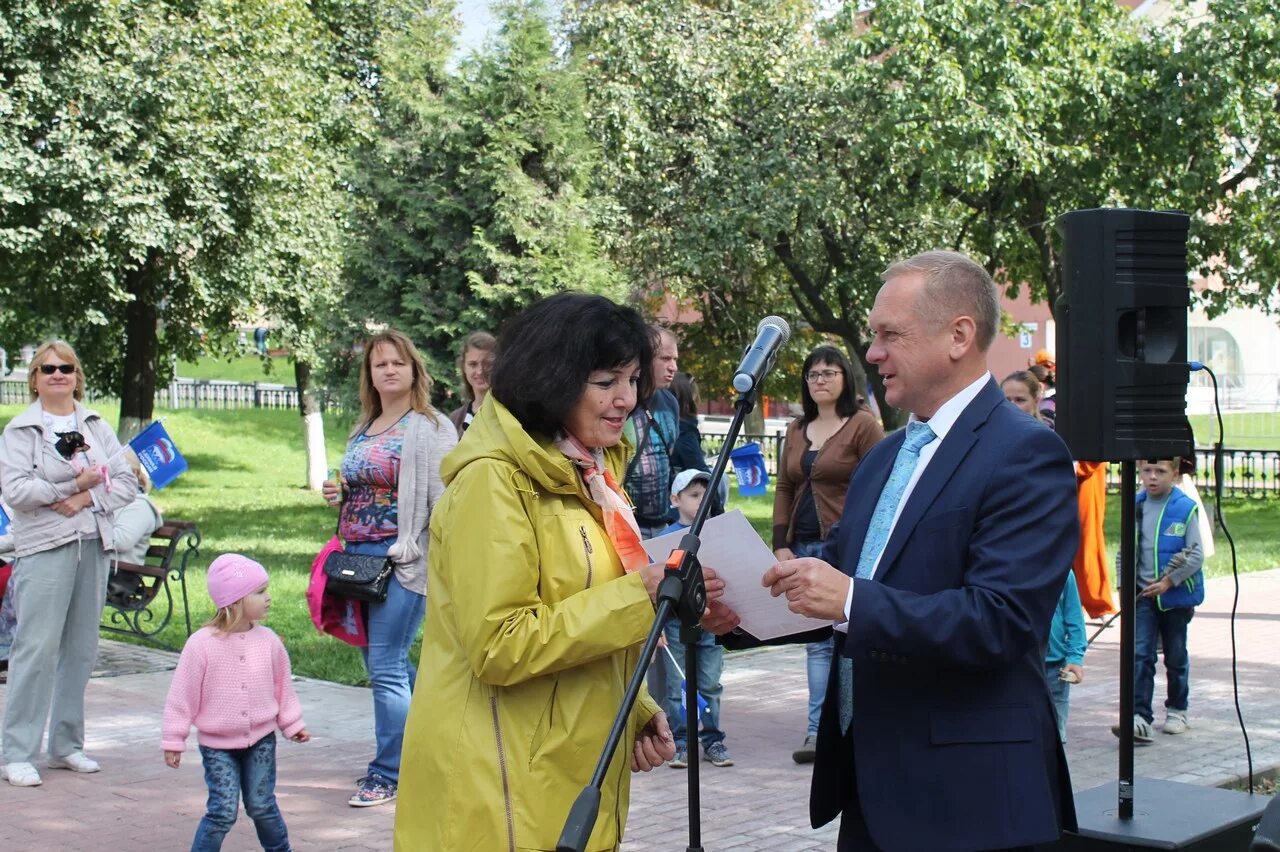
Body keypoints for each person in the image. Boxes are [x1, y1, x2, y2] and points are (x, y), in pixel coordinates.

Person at [707, 251, 1079, 851]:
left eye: (889, 335)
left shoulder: (1025, 454)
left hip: (968, 802)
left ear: (959, 335)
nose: (872, 353)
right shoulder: (885, 456)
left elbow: (1001, 621)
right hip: (869, 792)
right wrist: (742, 616)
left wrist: (850, 597)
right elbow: (832, 587)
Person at [394, 293, 724, 852]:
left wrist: (634, 709)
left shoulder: (586, 475)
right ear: (552, 380)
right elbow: (501, 643)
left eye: (632, 379)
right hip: (497, 791)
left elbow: (577, 620)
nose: (627, 398)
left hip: (564, 776)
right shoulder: (494, 484)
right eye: (606, 381)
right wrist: (640, 596)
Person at [320, 329, 457, 808]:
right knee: (383, 664)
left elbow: (446, 502)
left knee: (385, 665)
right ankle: (434, 752)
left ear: (415, 369)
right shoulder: (365, 426)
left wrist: (443, 563)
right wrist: (338, 495)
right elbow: (359, 486)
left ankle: (388, 774)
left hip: (403, 560)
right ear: (370, 376)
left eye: (398, 362)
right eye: (381, 365)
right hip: (357, 561)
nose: (390, 370)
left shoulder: (432, 426)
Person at [0, 340, 138, 788]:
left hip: (92, 545)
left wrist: (82, 496)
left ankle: (65, 746)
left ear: (77, 377)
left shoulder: (96, 425)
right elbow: (17, 493)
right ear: (35, 379)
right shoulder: (20, 432)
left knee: (80, 650)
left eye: (67, 368)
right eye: (48, 368)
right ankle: (18, 752)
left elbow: (125, 485)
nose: (58, 375)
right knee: (35, 650)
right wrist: (70, 483)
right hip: (44, 549)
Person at [773, 345, 884, 765]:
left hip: (844, 545)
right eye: (813, 374)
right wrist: (780, 541)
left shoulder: (862, 426)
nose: (820, 380)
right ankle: (817, 730)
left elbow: (876, 486)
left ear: (845, 379)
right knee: (817, 643)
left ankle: (854, 725)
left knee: (848, 633)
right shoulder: (796, 429)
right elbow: (784, 486)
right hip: (801, 545)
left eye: (829, 373)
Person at [163, 554, 310, 851]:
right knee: (222, 811)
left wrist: (292, 723)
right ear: (234, 600)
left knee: (262, 805)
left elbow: (283, 688)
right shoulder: (201, 644)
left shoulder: (269, 641)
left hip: (261, 741)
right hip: (217, 747)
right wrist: (173, 739)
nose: (268, 598)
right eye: (259, 592)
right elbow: (182, 695)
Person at [1112, 458, 1203, 744]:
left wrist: (1168, 582)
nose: (1152, 477)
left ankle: (1177, 709)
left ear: (1175, 475)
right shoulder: (1135, 505)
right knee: (1140, 655)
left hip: (1174, 598)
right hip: (1142, 597)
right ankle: (1139, 717)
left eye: (1160, 472)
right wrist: (1123, 587)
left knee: (1175, 656)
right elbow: (1123, 551)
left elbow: (1195, 554)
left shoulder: (1185, 508)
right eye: (1146, 471)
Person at [658, 469, 732, 769]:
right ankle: (681, 742)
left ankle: (713, 739)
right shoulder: (665, 540)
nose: (702, 501)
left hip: (710, 622)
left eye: (706, 495)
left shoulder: (716, 535)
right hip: (676, 624)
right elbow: (656, 588)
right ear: (675, 499)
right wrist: (657, 626)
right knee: (677, 686)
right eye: (693, 495)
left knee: (710, 683)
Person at [105, 451, 164, 604]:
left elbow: (122, 541)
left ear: (135, 473)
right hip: (102, 570)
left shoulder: (140, 505)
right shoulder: (109, 500)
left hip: (119, 576)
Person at [666, 371, 725, 519]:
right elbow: (700, 469)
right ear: (687, 397)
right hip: (681, 510)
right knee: (722, 479)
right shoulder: (684, 432)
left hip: (669, 502)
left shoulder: (666, 424)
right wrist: (718, 512)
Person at [1045, 572, 1087, 743]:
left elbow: (1074, 617)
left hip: (1056, 665)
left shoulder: (1063, 571)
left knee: (1056, 735)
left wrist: (1075, 658)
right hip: (1021, 667)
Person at [447, 330, 497, 438]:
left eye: (487, 364)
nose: (480, 371)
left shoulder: (510, 414)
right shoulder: (455, 419)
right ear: (464, 367)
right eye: (473, 364)